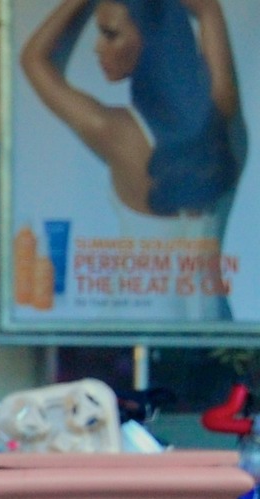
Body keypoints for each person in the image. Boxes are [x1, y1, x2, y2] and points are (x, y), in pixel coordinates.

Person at [20, 0, 244, 321]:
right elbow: (208, 8)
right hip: (213, 325)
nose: (98, 48)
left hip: (131, 325)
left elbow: (34, 60)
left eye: (111, 35)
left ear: (151, 38)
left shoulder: (117, 134)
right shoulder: (220, 116)